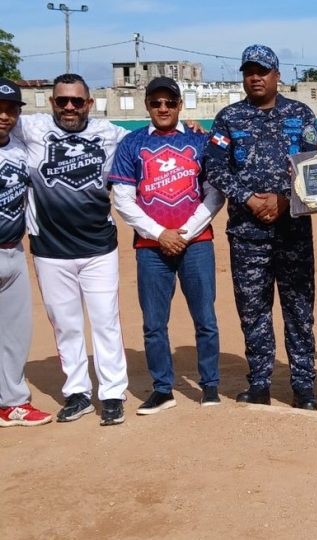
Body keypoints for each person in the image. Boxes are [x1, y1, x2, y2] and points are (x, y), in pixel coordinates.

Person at [205, 44, 317, 410]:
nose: (255, 77)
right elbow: (214, 167)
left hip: (293, 234)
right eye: (248, 71)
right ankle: (259, 383)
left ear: (277, 75)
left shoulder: (300, 114)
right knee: (253, 310)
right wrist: (250, 198)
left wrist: (287, 199)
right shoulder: (229, 118)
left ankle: (303, 386)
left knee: (299, 309)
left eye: (262, 71)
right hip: (247, 235)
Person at [15, 73, 130, 426]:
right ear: (51, 102)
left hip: (99, 247)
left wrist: (190, 130)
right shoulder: (29, 128)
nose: (69, 107)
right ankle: (77, 392)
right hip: (50, 249)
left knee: (105, 322)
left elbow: (148, 143)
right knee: (66, 326)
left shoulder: (111, 134)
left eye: (76, 101)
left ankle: (112, 393)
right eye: (62, 100)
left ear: (88, 104)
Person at [109, 77, 224, 414]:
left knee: (205, 318)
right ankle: (163, 389)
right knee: (154, 323)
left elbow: (215, 192)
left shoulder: (200, 141)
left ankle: (210, 385)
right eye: (156, 102)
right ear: (147, 104)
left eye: (169, 103)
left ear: (179, 106)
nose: (163, 108)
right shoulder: (132, 144)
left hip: (197, 242)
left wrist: (184, 232)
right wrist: (160, 233)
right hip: (150, 246)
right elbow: (124, 199)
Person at [0, 78, 52, 428]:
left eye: (11, 110)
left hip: (13, 251)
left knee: (15, 333)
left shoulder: (19, 147)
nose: (4, 116)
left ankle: (12, 403)